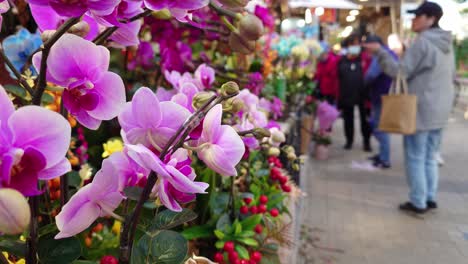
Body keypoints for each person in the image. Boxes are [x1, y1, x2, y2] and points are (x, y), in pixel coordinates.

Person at [363, 1, 455, 214]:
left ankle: (418, 202)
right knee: (430, 156)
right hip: (440, 109)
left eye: (417, 16)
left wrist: (381, 52)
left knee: (415, 155)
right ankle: (429, 198)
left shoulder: (423, 42)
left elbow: (399, 71)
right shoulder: (446, 43)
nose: (413, 20)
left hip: (420, 109)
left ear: (431, 18)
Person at [364, 35, 398, 169]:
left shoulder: (381, 55)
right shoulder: (388, 53)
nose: (366, 49)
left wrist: (362, 84)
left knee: (380, 127)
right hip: (383, 95)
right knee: (379, 126)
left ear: (374, 44)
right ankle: (382, 154)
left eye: (367, 46)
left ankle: (384, 159)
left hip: (382, 96)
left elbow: (372, 74)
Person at [338, 34, 372, 151]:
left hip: (363, 94)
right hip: (347, 93)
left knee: (365, 120)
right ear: (348, 46)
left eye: (357, 44)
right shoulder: (342, 60)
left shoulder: (364, 58)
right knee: (348, 119)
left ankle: (366, 142)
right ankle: (349, 140)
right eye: (352, 44)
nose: (355, 46)